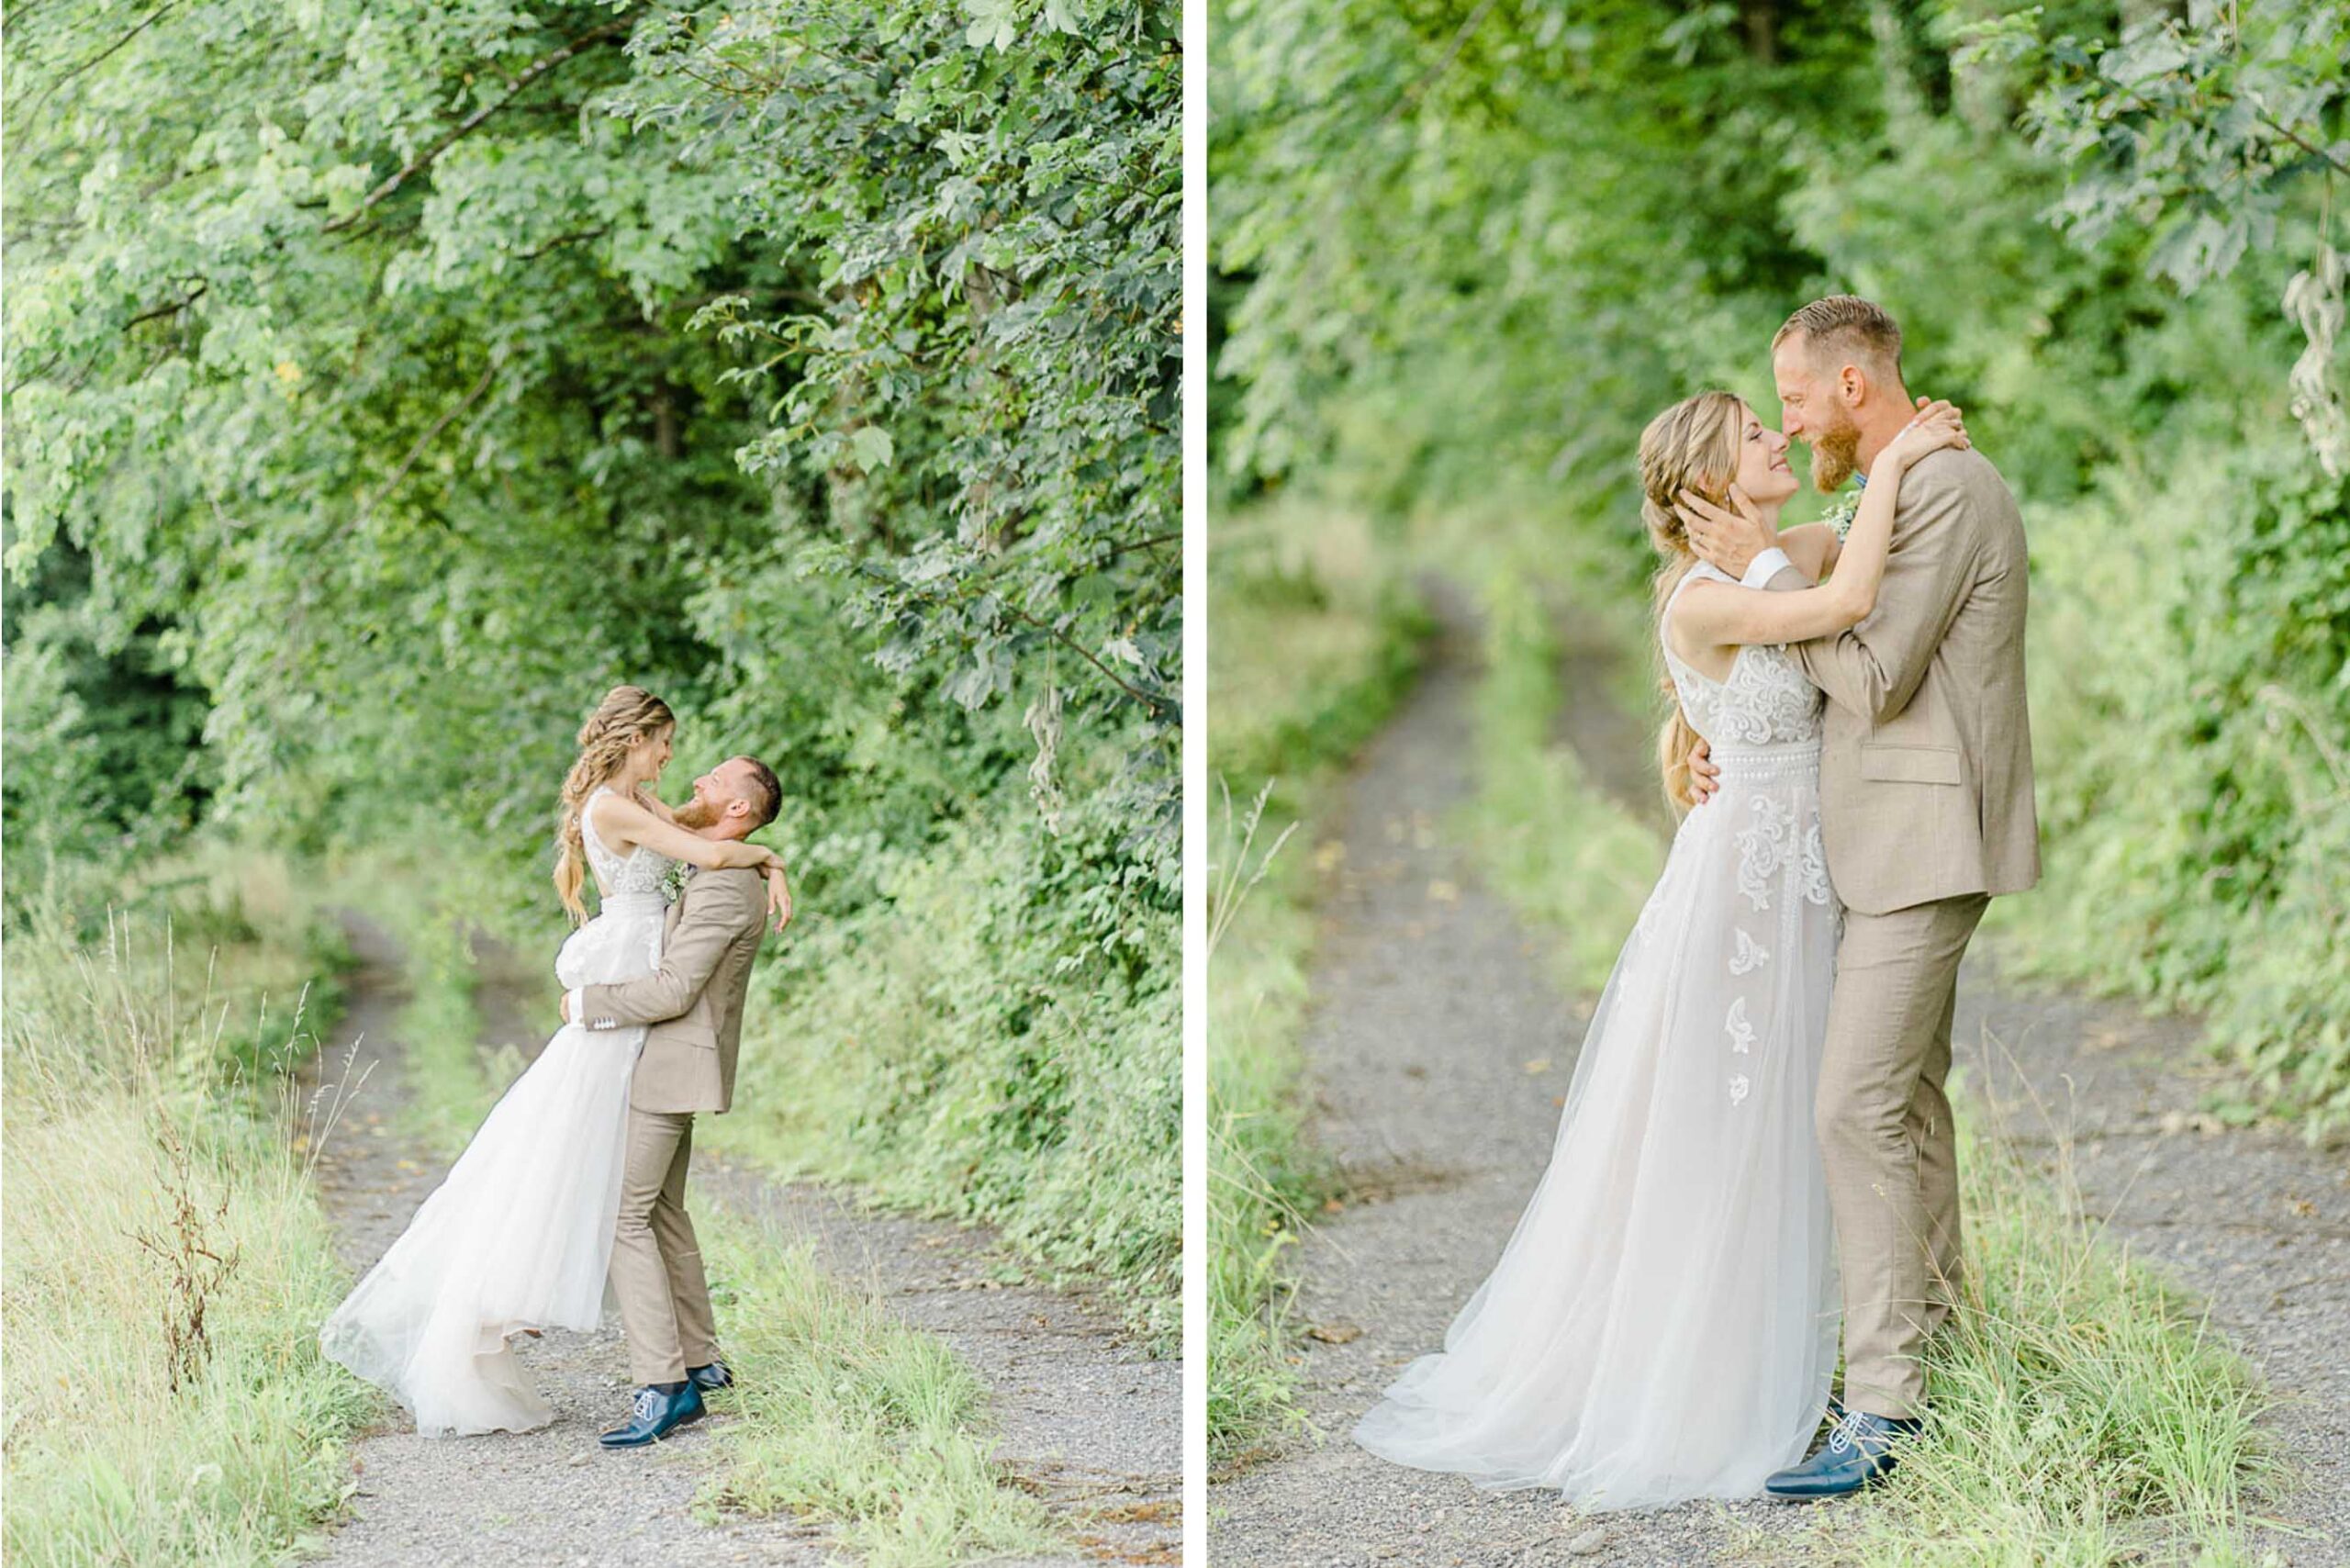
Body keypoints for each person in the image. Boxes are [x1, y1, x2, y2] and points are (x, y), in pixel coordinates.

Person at [1352, 385, 1968, 1509]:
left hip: (1807, 871)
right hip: (1747, 889)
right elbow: (1850, 592)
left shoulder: (1763, 556)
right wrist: (1890, 467)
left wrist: (1897, 459)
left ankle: (1888, 1348)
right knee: (1736, 1123)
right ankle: (1708, 1381)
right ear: (1704, 482)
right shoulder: (1702, 598)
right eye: (1752, 435)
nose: (1776, 437)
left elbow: (1848, 551)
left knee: (1822, 1113)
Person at [1673, 295, 2039, 1500]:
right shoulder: (1884, 493)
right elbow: (1755, 638)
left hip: (1923, 837)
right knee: (1905, 1104)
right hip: (1872, 843)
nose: (1785, 421)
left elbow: (1870, 674)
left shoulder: (1939, 489)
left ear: (1849, 388)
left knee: (1850, 1107)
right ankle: (1939, 1358)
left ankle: (1887, 1406)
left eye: (1790, 399)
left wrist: (1767, 578)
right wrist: (1689, 724)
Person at [319, 686, 789, 1440]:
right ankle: (689, 1365)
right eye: (667, 743)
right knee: (630, 1200)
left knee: (632, 1211)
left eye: (707, 773)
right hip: (630, 1022)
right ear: (635, 739)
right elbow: (702, 849)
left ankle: (671, 1382)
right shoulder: (624, 809)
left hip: (641, 1023)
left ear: (739, 807)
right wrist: (768, 857)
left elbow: (676, 971)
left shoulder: (681, 842)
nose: (683, 764)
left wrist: (765, 860)